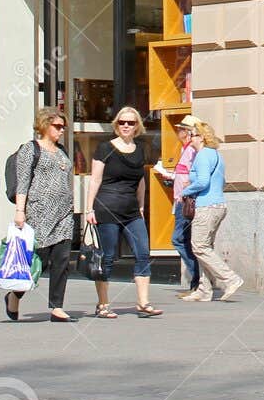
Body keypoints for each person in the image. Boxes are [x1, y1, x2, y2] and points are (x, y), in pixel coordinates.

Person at [85, 106, 161, 318]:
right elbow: (95, 179)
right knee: (107, 257)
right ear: (116, 125)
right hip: (106, 207)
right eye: (122, 122)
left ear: (138, 126)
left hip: (131, 210)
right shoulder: (104, 148)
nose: (126, 126)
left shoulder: (140, 149)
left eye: (131, 123)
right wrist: (89, 209)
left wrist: (141, 206)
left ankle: (143, 303)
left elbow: (140, 181)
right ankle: (103, 304)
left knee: (143, 253)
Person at [8, 106, 75, 323]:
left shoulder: (62, 151)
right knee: (39, 262)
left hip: (64, 213)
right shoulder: (31, 149)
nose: (61, 130)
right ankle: (14, 295)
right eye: (57, 126)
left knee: (62, 259)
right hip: (39, 212)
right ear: (44, 125)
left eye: (63, 127)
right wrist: (20, 211)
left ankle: (57, 306)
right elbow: (23, 182)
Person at [182, 120, 243, 303]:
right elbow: (221, 181)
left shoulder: (202, 156)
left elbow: (202, 182)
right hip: (218, 205)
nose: (189, 138)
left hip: (206, 206)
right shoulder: (216, 155)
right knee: (205, 247)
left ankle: (231, 278)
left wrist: (185, 191)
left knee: (199, 247)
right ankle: (204, 289)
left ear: (201, 137)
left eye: (192, 135)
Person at [154, 115, 201, 301]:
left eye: (182, 129)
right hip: (181, 200)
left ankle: (197, 280)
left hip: (186, 201)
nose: (178, 132)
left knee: (179, 240)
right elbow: (183, 175)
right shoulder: (185, 149)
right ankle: (196, 283)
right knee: (185, 240)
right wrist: (171, 177)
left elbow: (193, 176)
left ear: (189, 132)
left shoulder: (192, 151)